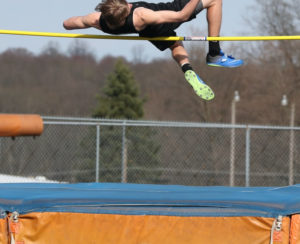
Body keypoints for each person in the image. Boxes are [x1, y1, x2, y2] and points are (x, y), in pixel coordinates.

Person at [63, 0, 243, 101]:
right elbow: (182, 15)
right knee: (214, 0)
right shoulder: (141, 14)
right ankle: (214, 54)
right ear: (127, 9)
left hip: (146, 31)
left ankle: (188, 69)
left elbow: (68, 24)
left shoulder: (99, 21)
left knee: (175, 45)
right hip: (162, 17)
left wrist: (85, 20)